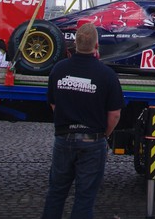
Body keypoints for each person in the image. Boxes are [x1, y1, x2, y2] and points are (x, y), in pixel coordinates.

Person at [41, 22, 123, 219]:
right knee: (85, 198)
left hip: (64, 138)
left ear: (75, 44)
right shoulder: (107, 75)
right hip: (93, 140)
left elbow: (53, 104)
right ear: (97, 46)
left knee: (56, 193)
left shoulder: (58, 70)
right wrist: (103, 135)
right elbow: (115, 114)